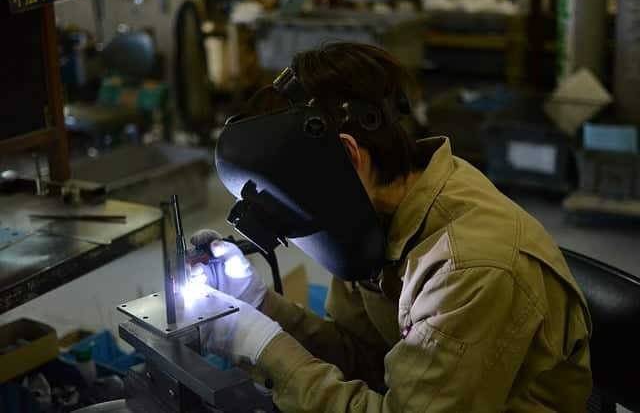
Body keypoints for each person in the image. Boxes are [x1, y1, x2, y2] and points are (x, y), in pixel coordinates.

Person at [190, 42, 592, 412]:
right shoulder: (373, 216)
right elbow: (363, 356)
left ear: (347, 156)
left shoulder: (471, 267)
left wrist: (262, 348)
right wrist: (258, 304)